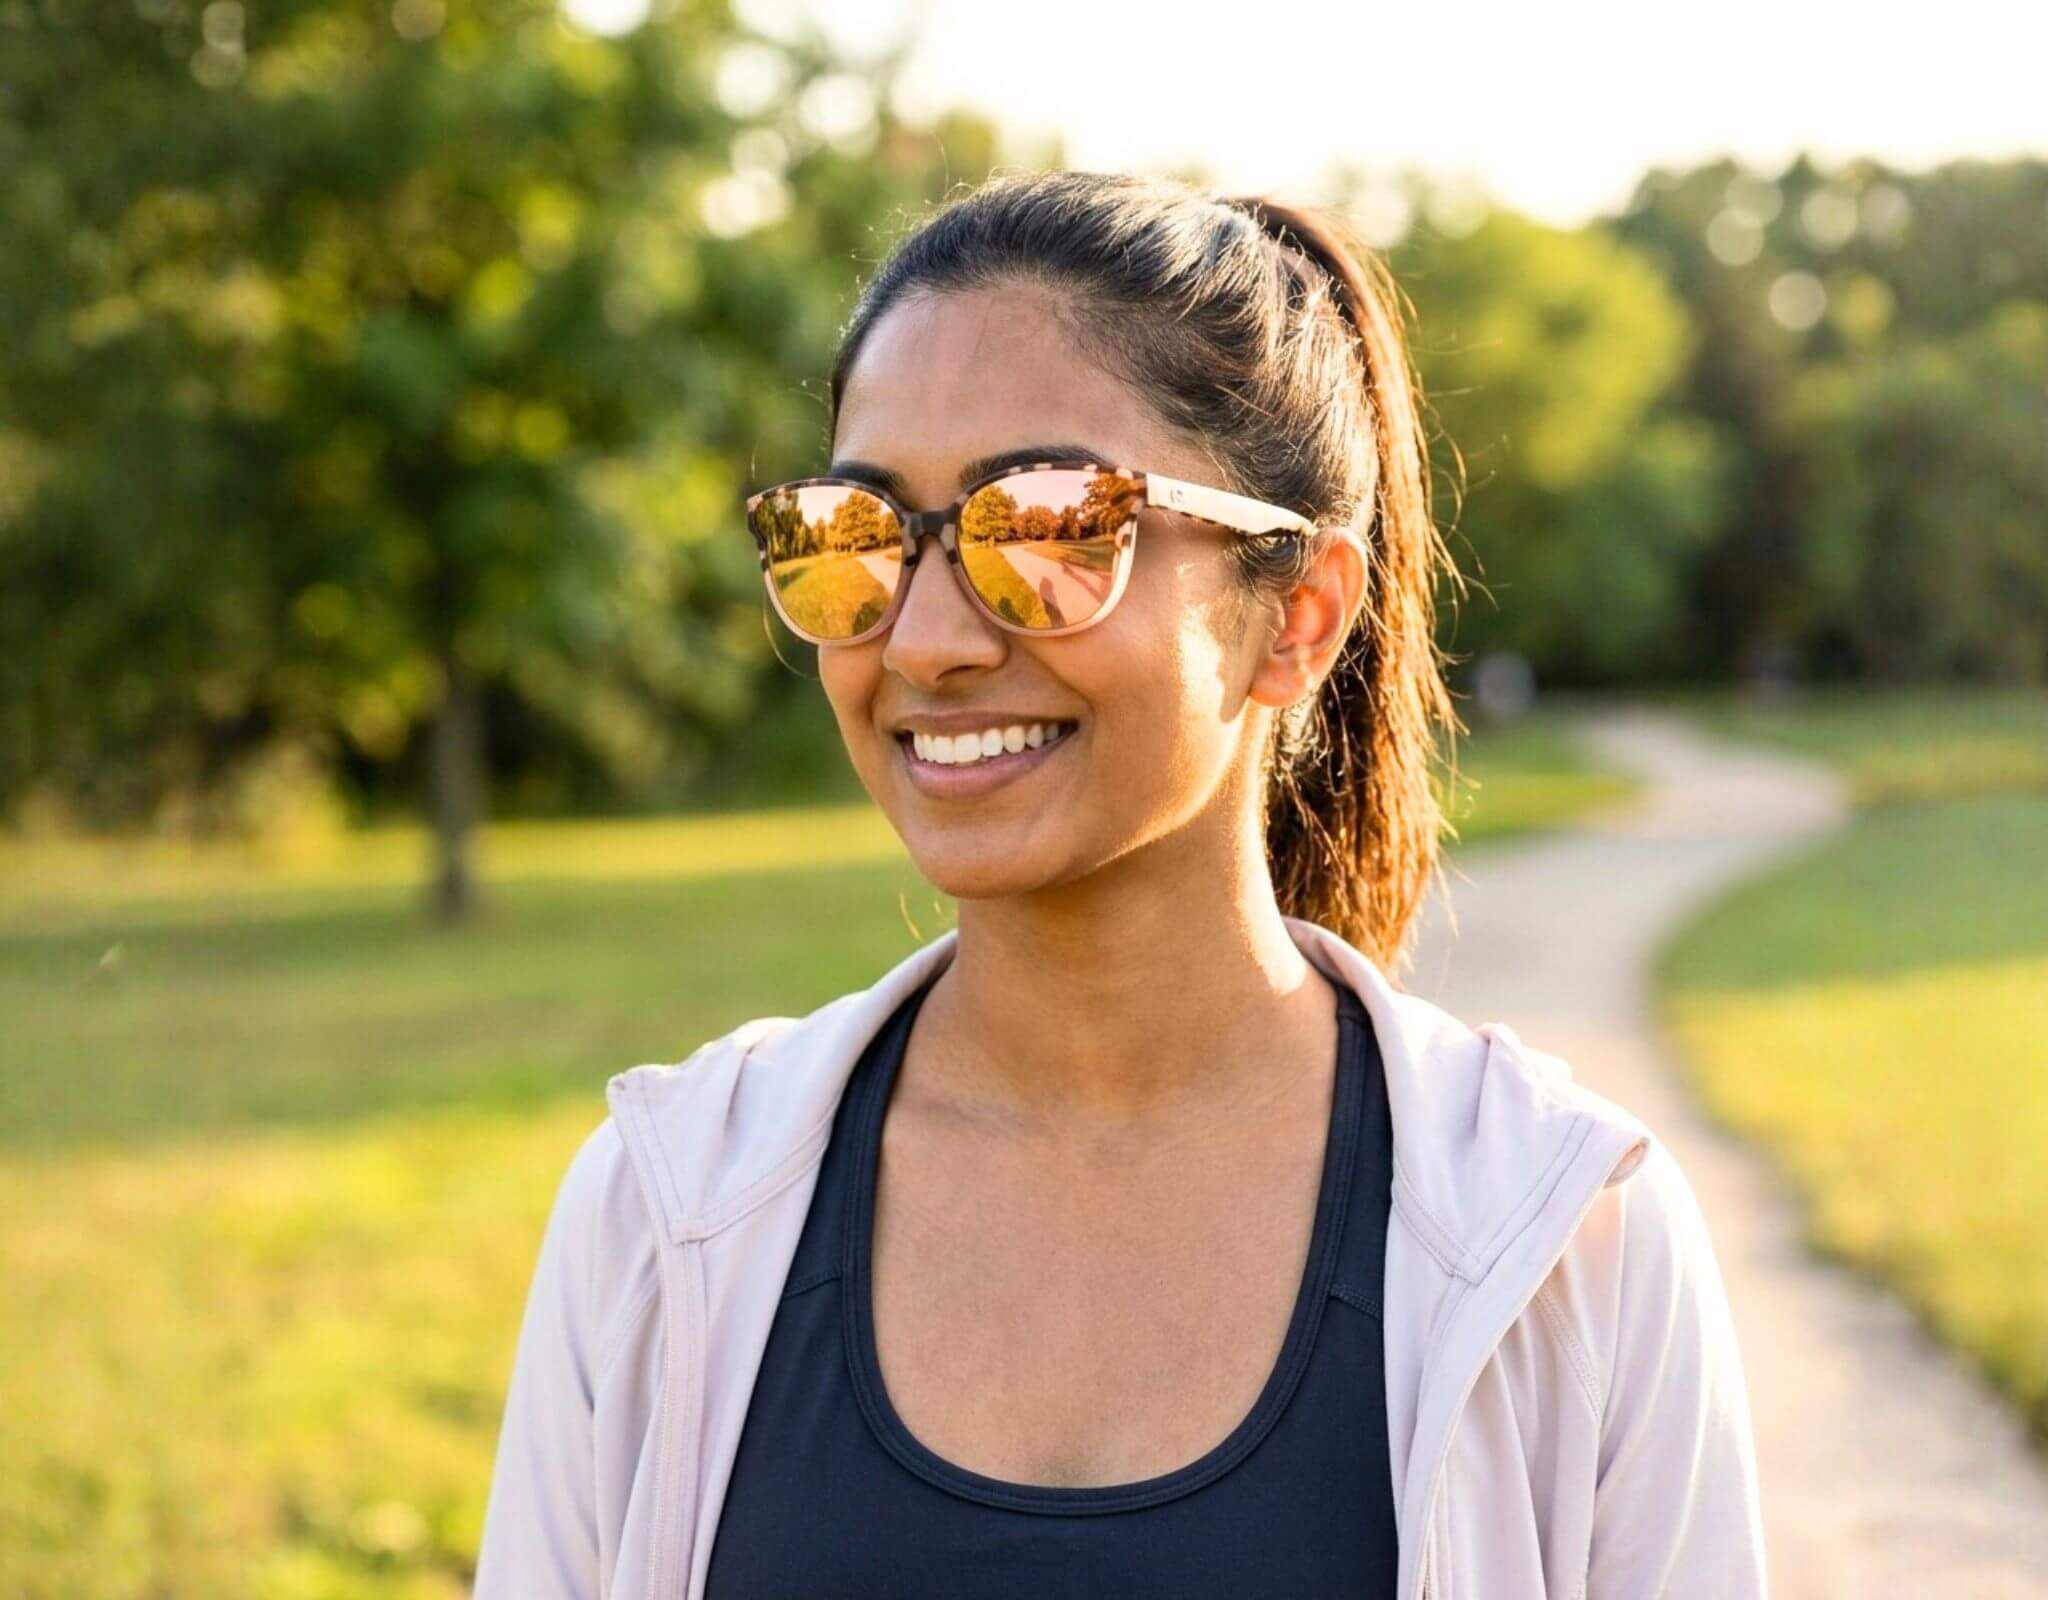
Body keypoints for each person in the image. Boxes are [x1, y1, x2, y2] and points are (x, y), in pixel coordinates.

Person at [473, 170, 1768, 1600]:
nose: (928, 639)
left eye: (1042, 525)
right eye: (857, 537)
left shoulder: (1566, 1238)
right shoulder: (662, 1216)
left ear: (1298, 621)